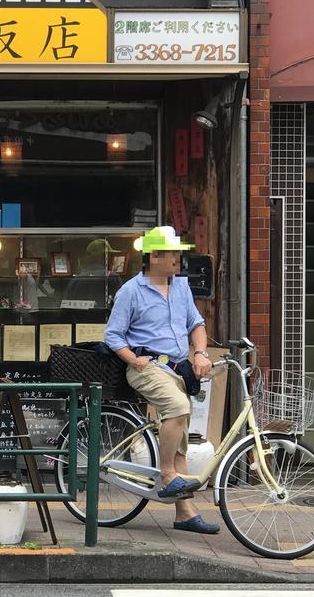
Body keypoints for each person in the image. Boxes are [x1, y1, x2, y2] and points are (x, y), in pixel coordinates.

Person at [103, 226, 220, 535]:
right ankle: (166, 473)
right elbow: (113, 336)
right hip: (147, 366)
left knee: (180, 439)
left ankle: (184, 513)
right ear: (154, 256)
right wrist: (133, 359)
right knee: (178, 407)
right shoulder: (130, 291)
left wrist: (201, 353)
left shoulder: (180, 286)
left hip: (177, 368)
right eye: (173, 255)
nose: (179, 261)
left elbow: (196, 324)